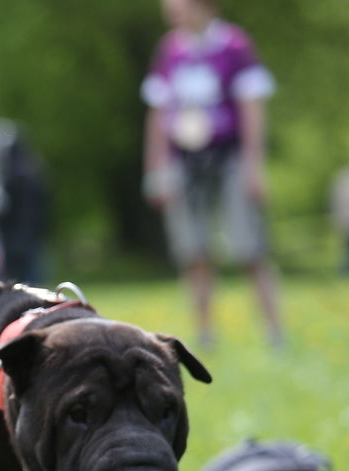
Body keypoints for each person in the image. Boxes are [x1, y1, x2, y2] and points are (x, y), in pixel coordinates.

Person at [141, 0, 283, 348]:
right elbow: (158, 114)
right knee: (194, 251)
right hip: (184, 161)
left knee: (250, 246)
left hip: (228, 155)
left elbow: (252, 106)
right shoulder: (170, 50)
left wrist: (253, 166)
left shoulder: (234, 45)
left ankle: (273, 331)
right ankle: (205, 333)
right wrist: (155, 168)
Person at [0, 118, 49, 284]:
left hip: (18, 236)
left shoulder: (14, 175)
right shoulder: (31, 169)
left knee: (23, 276)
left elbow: (6, 207)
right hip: (28, 235)